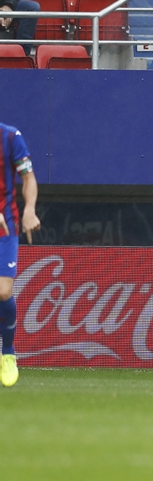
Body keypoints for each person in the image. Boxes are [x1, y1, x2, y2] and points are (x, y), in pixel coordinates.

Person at [0, 120, 41, 387]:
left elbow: (28, 178)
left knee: (3, 291)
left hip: (6, 225)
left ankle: (8, 354)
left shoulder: (11, 137)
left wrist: (29, 210)